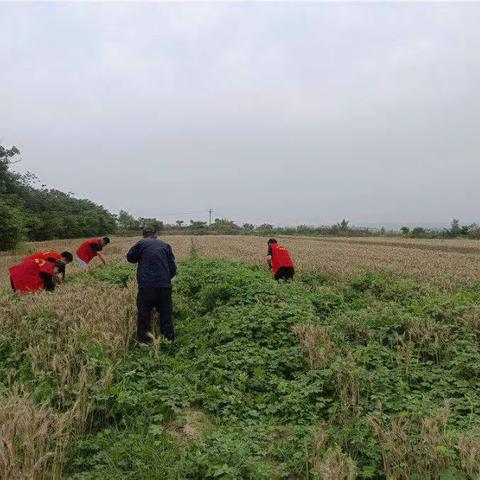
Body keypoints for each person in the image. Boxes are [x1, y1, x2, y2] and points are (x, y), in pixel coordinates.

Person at [127, 226, 177, 345]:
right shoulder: (165, 245)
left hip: (146, 287)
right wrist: (164, 279)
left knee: (144, 314)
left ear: (143, 235)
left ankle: (144, 343)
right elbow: (173, 269)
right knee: (166, 314)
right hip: (164, 286)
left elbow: (130, 258)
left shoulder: (141, 243)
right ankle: (168, 342)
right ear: (156, 234)